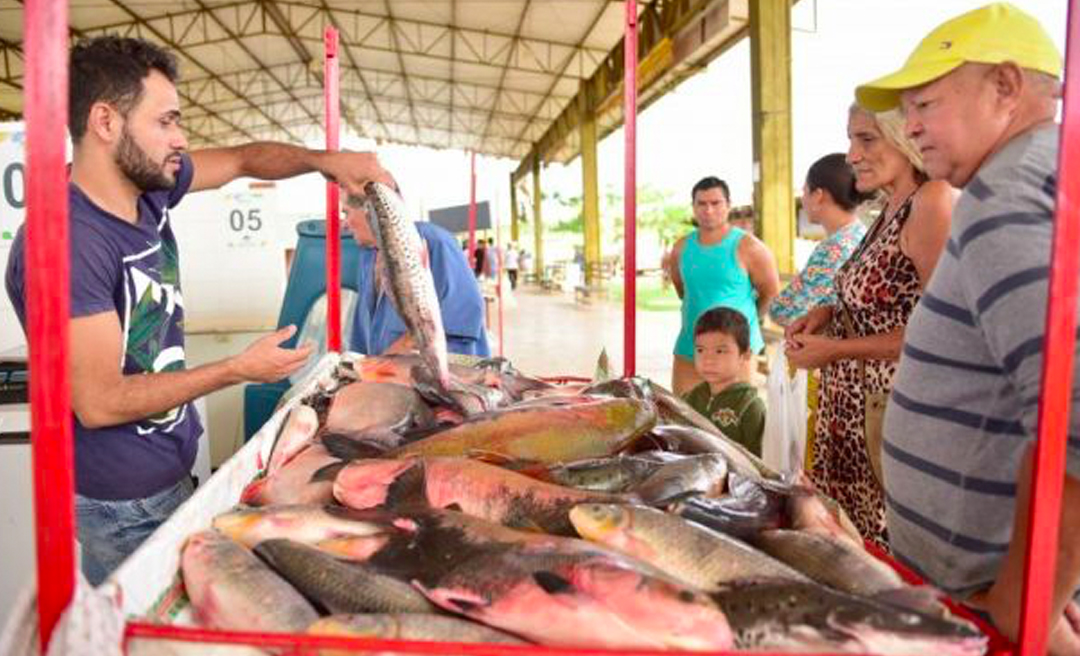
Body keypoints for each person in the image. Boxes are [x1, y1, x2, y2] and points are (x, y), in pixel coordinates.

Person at [2, 36, 393, 585]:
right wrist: (236, 368)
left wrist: (323, 162)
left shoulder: (148, 188)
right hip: (122, 499)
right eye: (165, 122)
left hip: (165, 468)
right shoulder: (66, 242)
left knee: (120, 626)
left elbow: (239, 160)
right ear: (105, 122)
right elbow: (98, 401)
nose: (181, 139)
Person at [857, 4, 1080, 651]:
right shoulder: (1043, 174)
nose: (911, 126)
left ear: (1006, 87)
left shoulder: (1002, 200)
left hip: (989, 595)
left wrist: (1029, 598)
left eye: (925, 102)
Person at [785, 106, 954, 548]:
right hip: (851, 415)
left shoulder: (930, 200)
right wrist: (829, 313)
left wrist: (835, 350)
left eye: (867, 139)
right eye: (850, 140)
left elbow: (940, 333)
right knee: (846, 545)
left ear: (904, 138)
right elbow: (882, 300)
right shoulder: (887, 208)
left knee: (883, 548)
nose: (852, 155)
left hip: (888, 410)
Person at [667, 176, 780, 395]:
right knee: (685, 419)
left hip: (735, 350)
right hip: (690, 348)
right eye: (701, 203)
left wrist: (740, 321)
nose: (708, 210)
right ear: (693, 207)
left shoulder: (750, 247)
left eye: (715, 203)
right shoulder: (681, 248)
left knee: (732, 421)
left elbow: (770, 293)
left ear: (728, 205)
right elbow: (683, 292)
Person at [345, 198, 490, 358]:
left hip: (443, 373)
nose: (345, 224)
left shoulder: (432, 241)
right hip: (388, 378)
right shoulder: (368, 257)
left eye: (346, 213)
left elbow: (467, 310)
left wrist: (406, 345)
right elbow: (361, 330)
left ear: (368, 209)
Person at [768, 154, 870, 327]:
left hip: (833, 349)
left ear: (818, 195)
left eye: (804, 191)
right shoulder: (862, 234)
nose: (803, 199)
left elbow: (784, 311)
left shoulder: (834, 249)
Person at [683, 306, 766, 456]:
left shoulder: (750, 407)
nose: (708, 360)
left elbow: (759, 463)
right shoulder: (689, 399)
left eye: (720, 351)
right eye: (700, 350)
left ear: (745, 355)